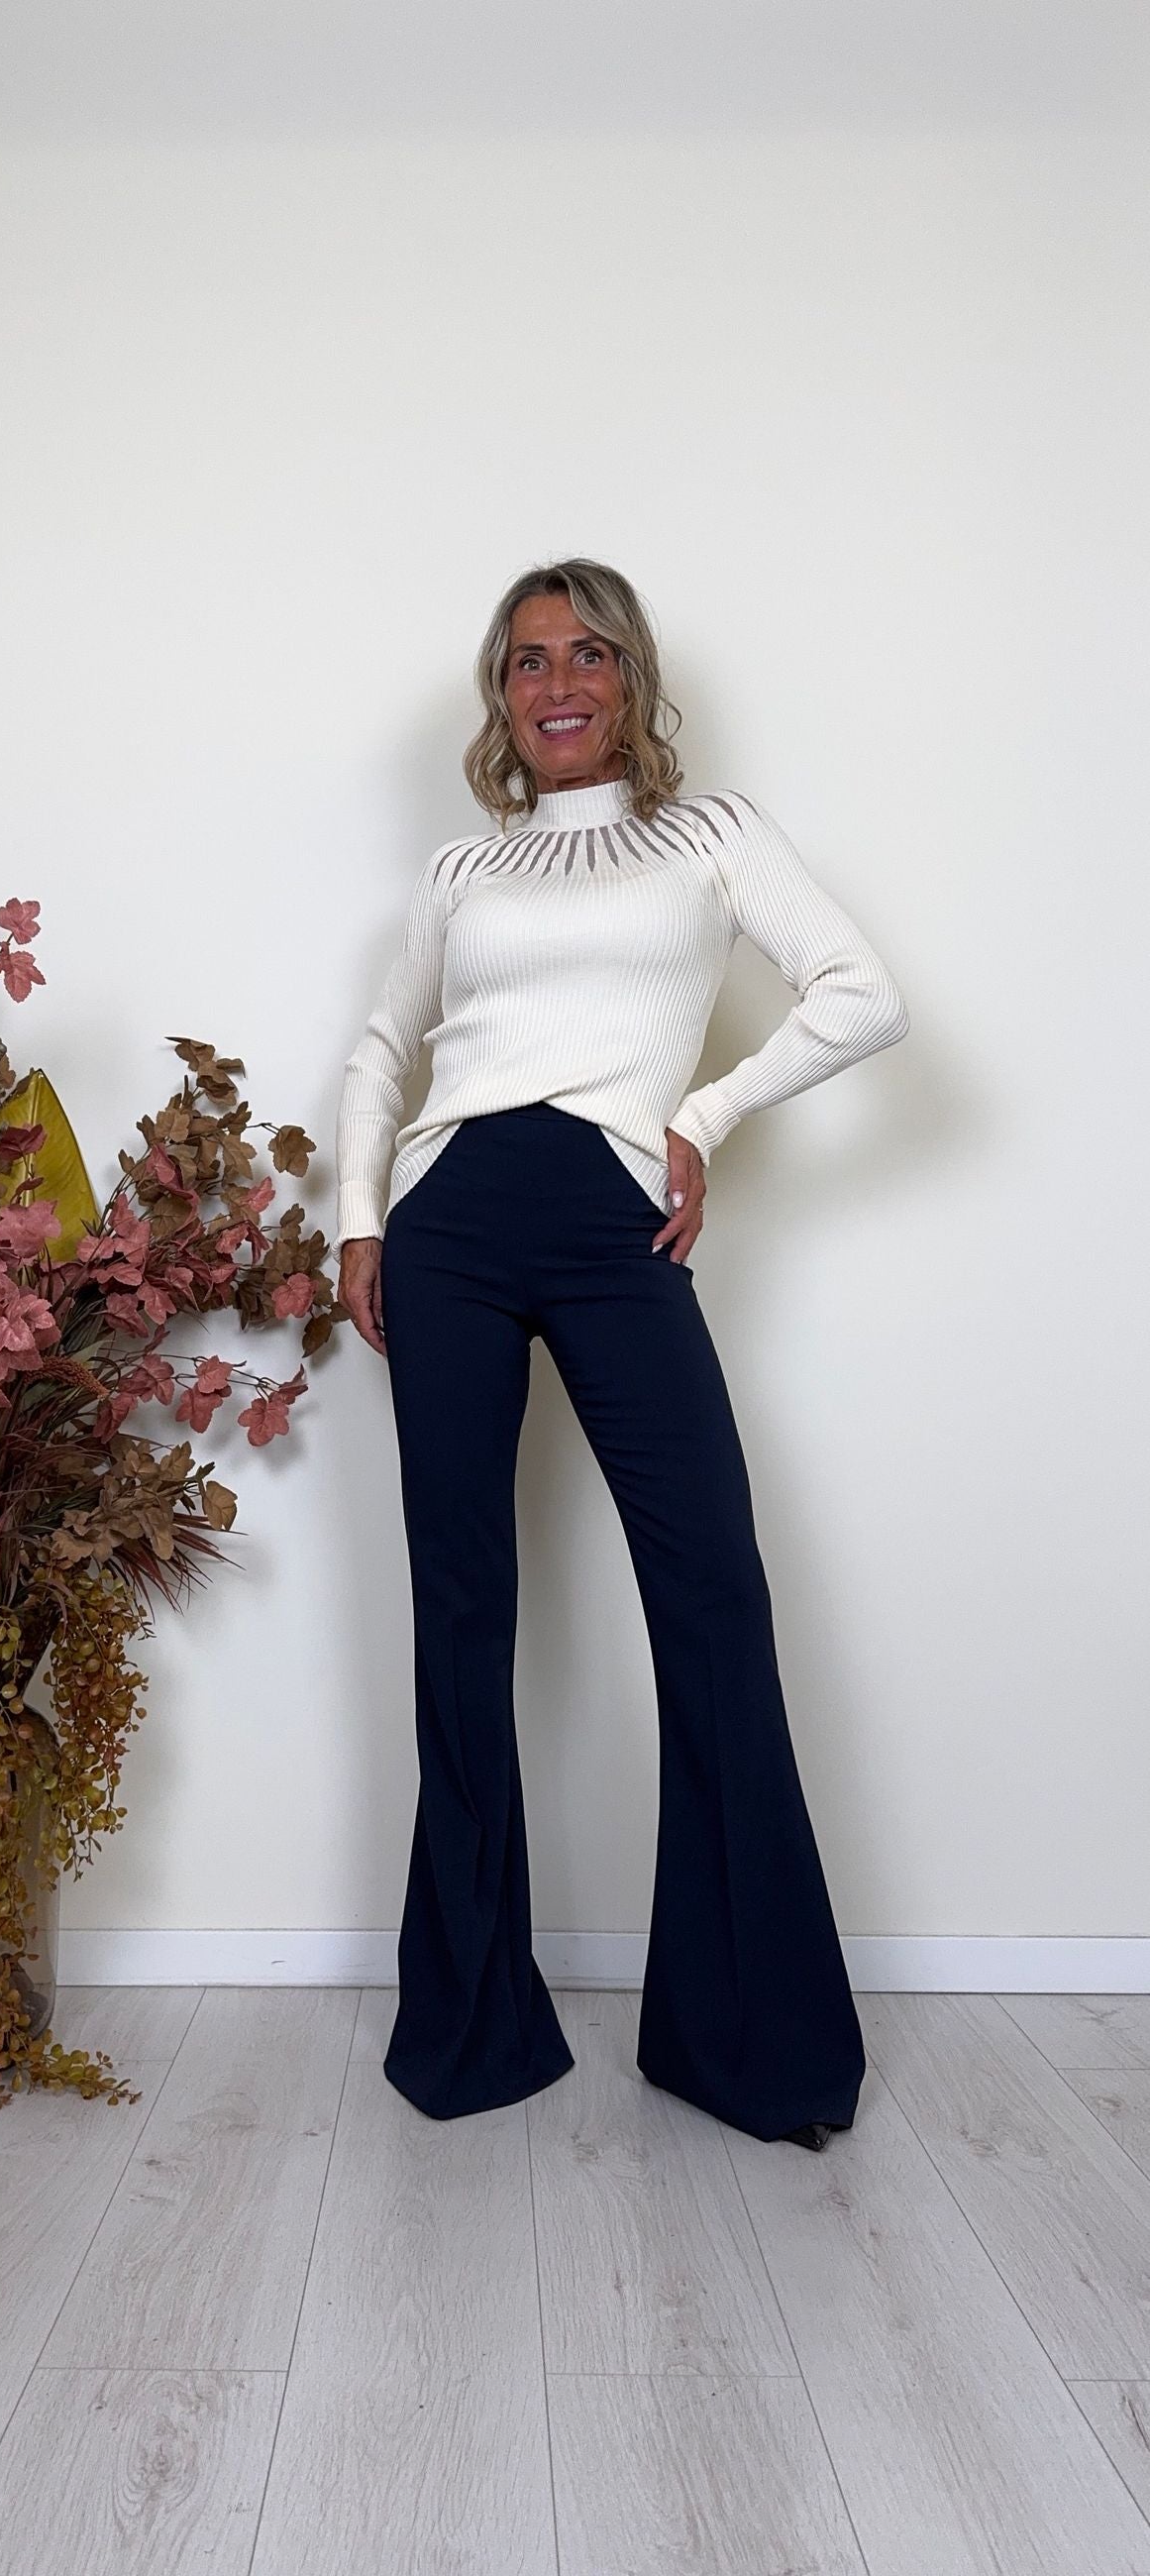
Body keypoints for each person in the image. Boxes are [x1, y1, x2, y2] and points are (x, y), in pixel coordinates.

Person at [334, 558, 909, 2148]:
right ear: (501, 694)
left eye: (588, 653)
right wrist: (359, 1218)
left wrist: (701, 1118)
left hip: (612, 1221)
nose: (559, 682)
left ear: (632, 678)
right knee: (463, 1610)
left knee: (711, 1592)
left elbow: (864, 995)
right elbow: (384, 1047)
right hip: (450, 1225)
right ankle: (472, 2023)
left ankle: (746, 2043)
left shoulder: (713, 835)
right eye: (529, 660)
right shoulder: (464, 866)